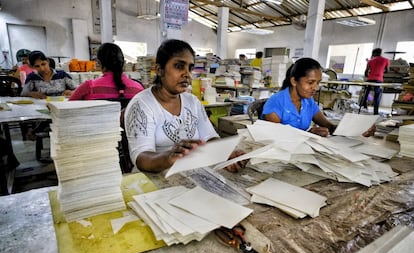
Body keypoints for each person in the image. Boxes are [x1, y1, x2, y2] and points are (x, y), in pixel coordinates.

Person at [124, 39, 246, 173]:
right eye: (179, 66)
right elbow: (142, 158)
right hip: (153, 181)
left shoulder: (192, 102)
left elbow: (209, 137)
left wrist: (225, 153)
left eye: (190, 68)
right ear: (159, 70)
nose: (187, 74)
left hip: (189, 174)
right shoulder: (142, 105)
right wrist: (168, 157)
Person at [262, 57, 375, 137]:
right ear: (294, 81)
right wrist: (307, 136)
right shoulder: (275, 103)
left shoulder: (308, 101)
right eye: (310, 82)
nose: (316, 88)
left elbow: (329, 127)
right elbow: (273, 138)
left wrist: (357, 130)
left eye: (318, 83)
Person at [69, 43, 144, 103]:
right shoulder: (139, 89)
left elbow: (68, 109)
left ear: (99, 63)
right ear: (123, 63)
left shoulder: (89, 87)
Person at [362, 48, 390, 115]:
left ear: (374, 53)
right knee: (377, 96)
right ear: (380, 53)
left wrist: (369, 74)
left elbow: (366, 72)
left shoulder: (370, 61)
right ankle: (375, 112)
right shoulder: (386, 60)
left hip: (370, 79)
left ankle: (363, 106)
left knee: (366, 93)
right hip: (379, 79)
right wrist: (381, 71)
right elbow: (387, 71)